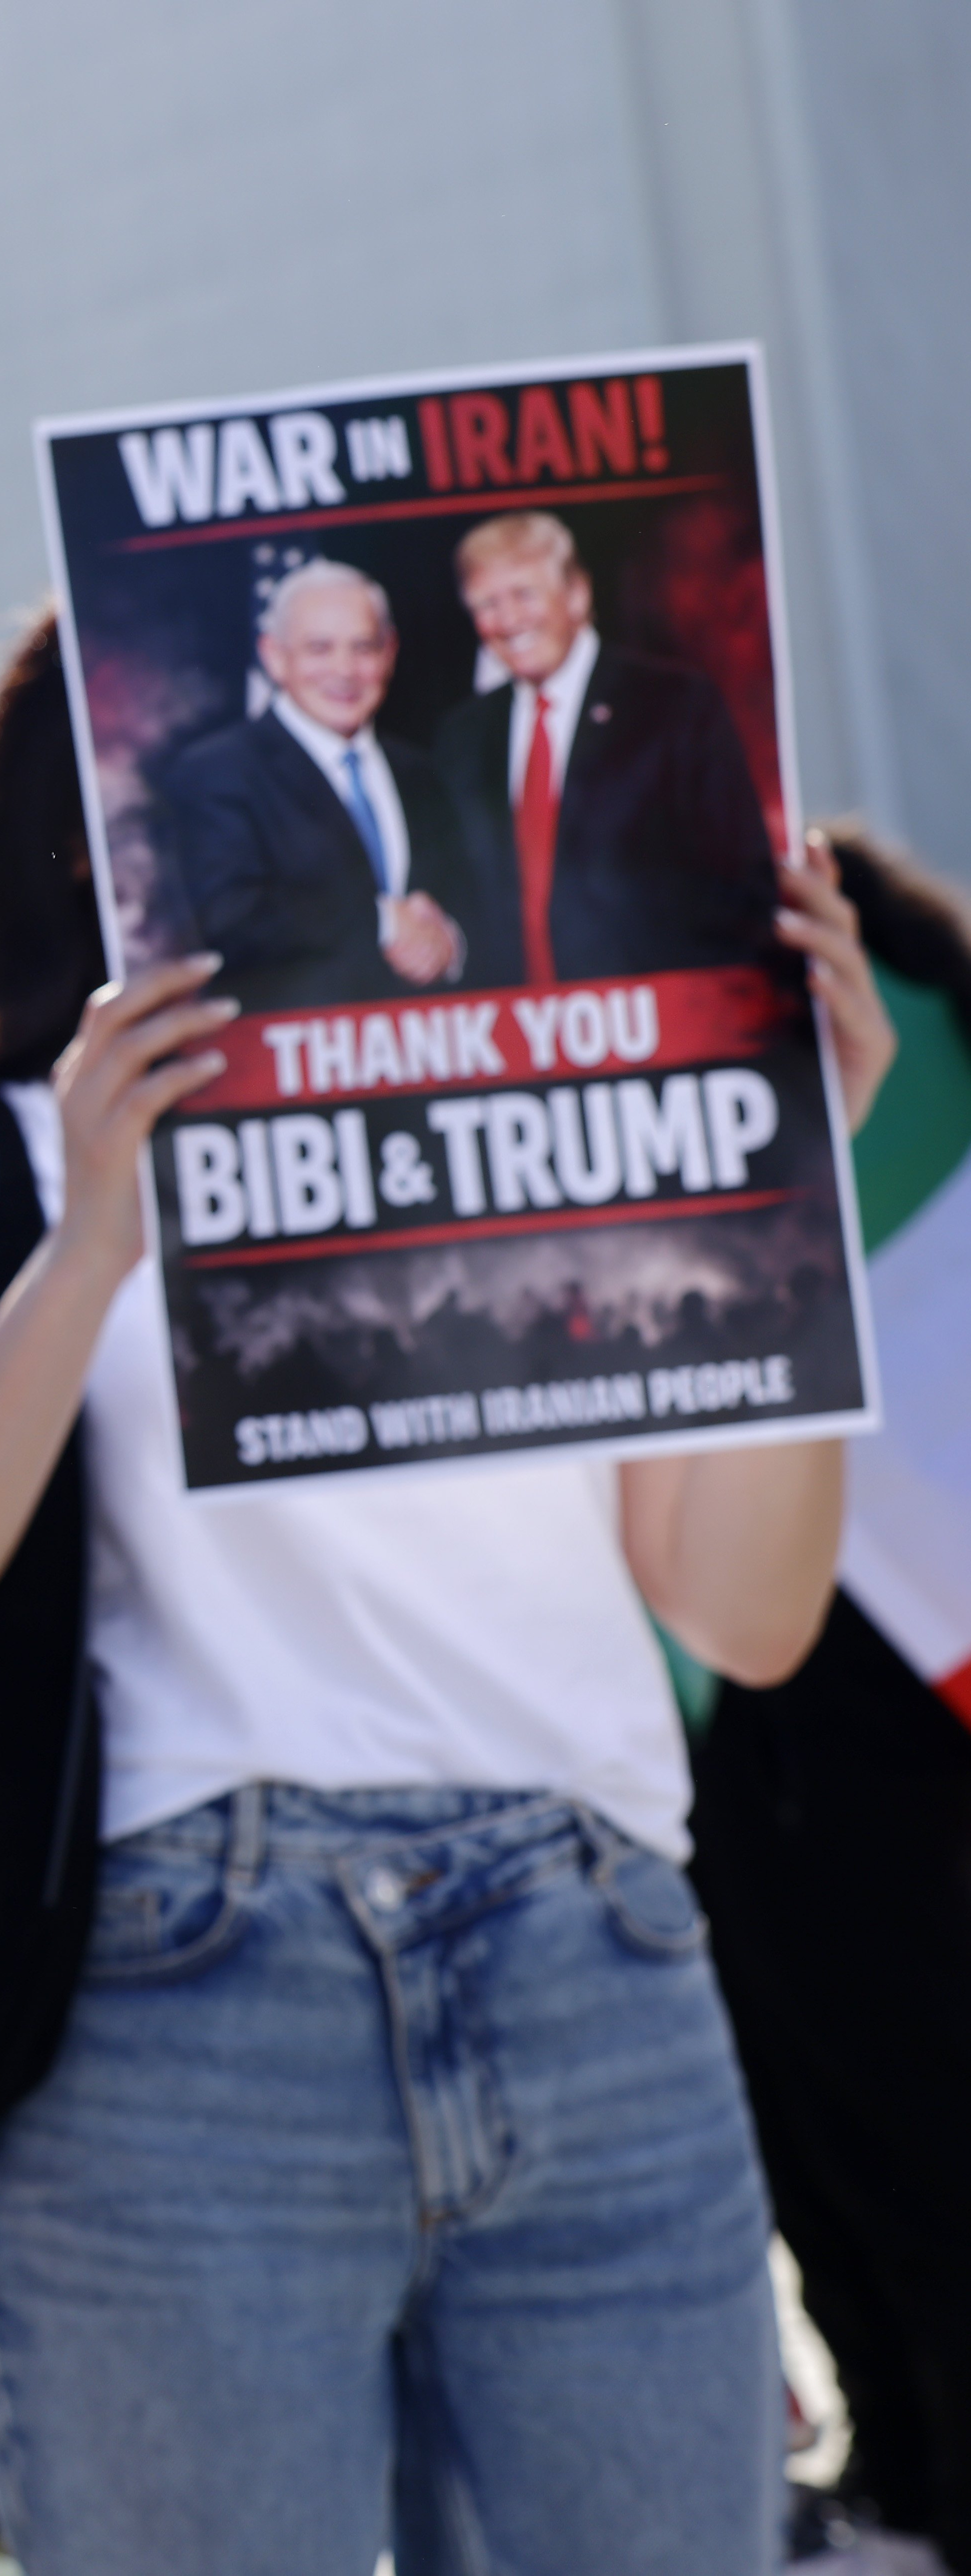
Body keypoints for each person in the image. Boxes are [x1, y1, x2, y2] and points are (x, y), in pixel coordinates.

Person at [0, 606, 892, 2573]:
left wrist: (780, 1180)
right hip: (180, 2015)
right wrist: (94, 1243)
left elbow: (743, 1616)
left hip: (599, 1971)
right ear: (101, 809)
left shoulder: (552, 1116)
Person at [687, 823, 971, 2576]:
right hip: (775, 1691)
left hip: (857, 1699)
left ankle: (924, 2476)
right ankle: (910, 2469)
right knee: (844, 2126)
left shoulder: (882, 1031)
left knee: (885, 2129)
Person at [432, 510, 781, 985]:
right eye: (486, 604)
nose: (508, 620)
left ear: (577, 594)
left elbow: (742, 888)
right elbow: (461, 894)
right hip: (516, 1037)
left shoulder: (675, 705)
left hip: (660, 1026)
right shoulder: (462, 737)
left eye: (524, 594)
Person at [149, 560, 475, 1009]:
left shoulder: (420, 772)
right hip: (290, 1058)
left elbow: (470, 894)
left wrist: (448, 943)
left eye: (363, 648)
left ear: (390, 653)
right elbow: (231, 919)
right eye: (320, 649)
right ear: (274, 656)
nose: (344, 670)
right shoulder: (215, 772)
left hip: (433, 1046)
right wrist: (381, 922)